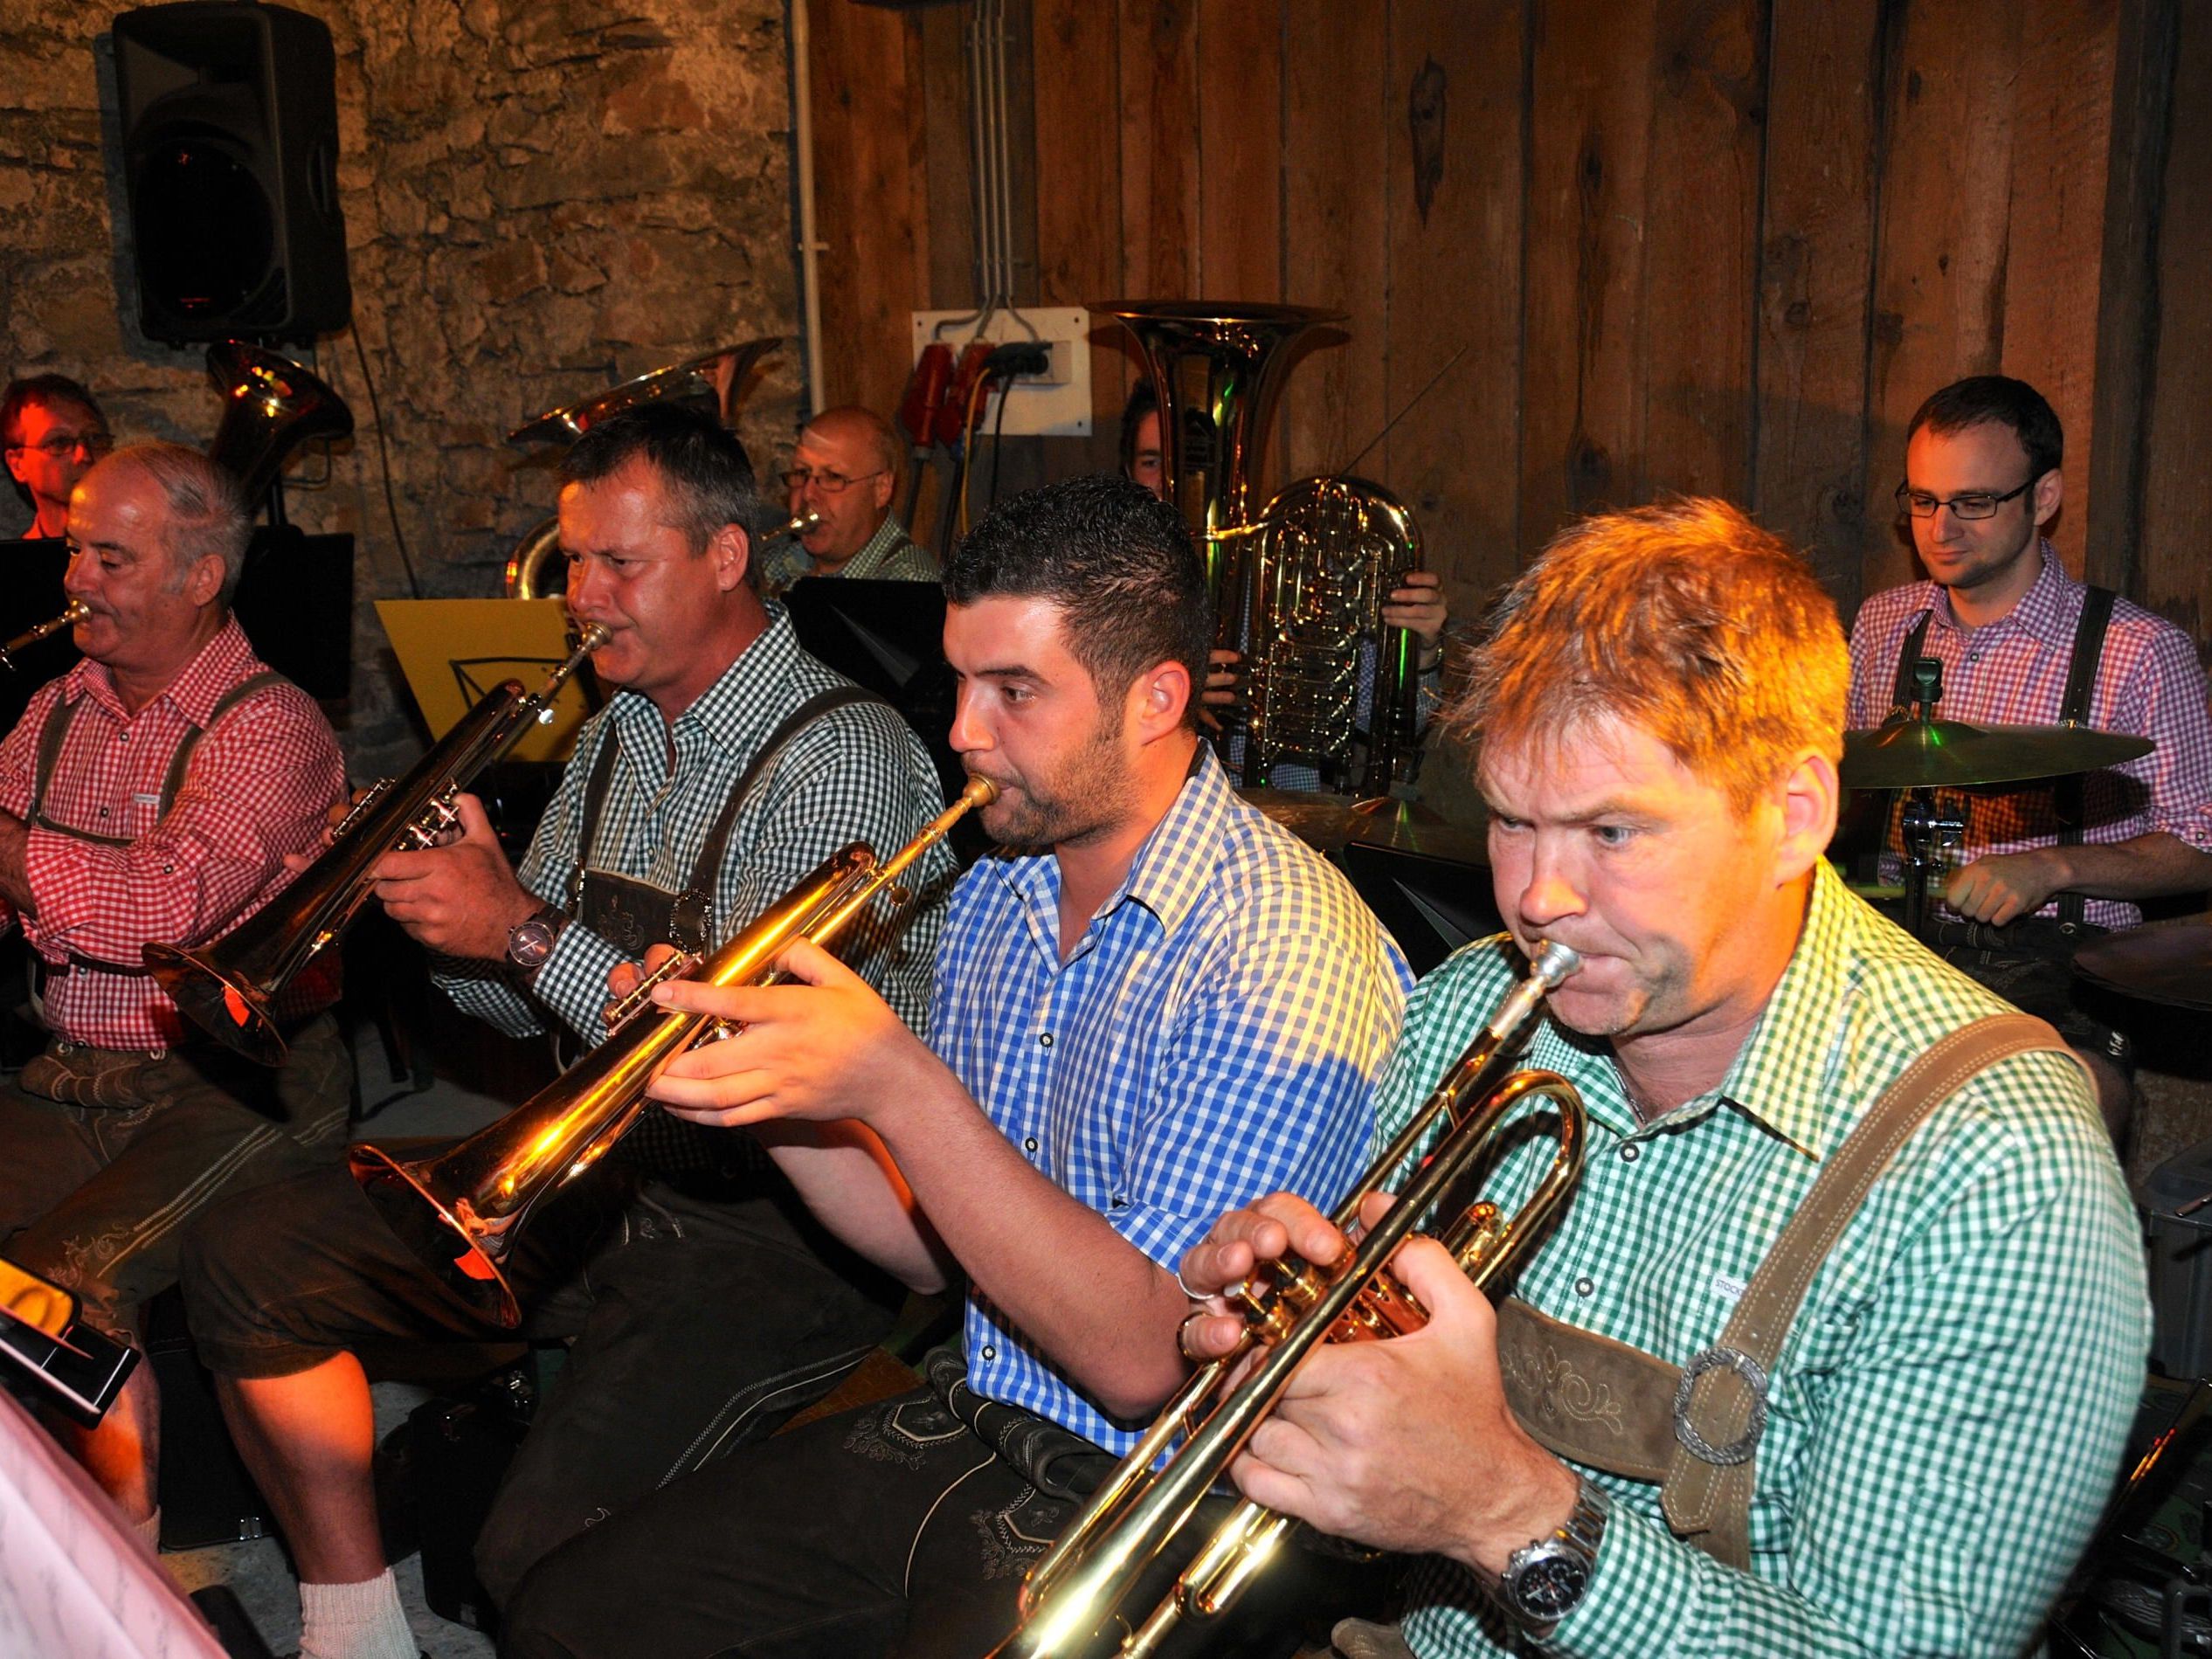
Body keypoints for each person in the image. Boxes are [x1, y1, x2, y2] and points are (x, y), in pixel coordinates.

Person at [1178, 498, 2149, 1657]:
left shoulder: (1998, 1167)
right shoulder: (1464, 1016)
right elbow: (1369, 1533)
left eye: (1611, 832)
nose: (1538, 895)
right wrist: (1302, 1385)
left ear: (1794, 816)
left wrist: (1505, 1512)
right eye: (1511, 820)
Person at [496, 471, 1414, 1658]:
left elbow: (1152, 1355)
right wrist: (771, 1086)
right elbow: (941, 1244)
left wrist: (895, 1084)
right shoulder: (1000, 891)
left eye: (1015, 691)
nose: (966, 731)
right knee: (568, 1614)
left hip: (1164, 1498)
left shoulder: (1283, 947)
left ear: (1156, 699)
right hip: (979, 1420)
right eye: (963, 681)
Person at [179, 402, 954, 1659]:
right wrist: (456, 930)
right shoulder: (610, 738)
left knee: (537, 1565)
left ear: (725, 557)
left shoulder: (840, 754)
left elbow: (761, 1062)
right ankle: (356, 1628)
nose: (581, 596)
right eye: (574, 561)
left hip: (779, 1230)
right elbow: (522, 1001)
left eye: (618, 564)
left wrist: (528, 929)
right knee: (242, 1256)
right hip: (589, 1171)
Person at [0, 441, 350, 1542]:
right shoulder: (58, 705)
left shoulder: (269, 725)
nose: (75, 581)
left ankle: (129, 1586)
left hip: (237, 1083)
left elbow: (161, 912)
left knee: (61, 1287)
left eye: (111, 557)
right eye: (74, 551)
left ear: (201, 579)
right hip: (76, 1074)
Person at [1847, 374, 2212, 1133]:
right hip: (1893, 945)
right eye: (1922, 500)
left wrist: (2054, 866)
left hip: (2060, 968)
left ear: (2042, 499)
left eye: (1973, 502)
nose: (1940, 527)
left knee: (2045, 1117)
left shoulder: (2137, 651)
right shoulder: (1883, 626)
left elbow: (2202, 844)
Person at [1120, 380, 1455, 791]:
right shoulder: (1094, 590)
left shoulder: (1295, 578)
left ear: (1225, 470)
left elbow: (1396, 723)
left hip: (1286, 826)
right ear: (1128, 472)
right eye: (1153, 462)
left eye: (1192, 462)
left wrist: (1418, 651)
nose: (1175, 482)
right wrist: (1162, 703)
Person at [758, 404, 938, 593]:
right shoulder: (773, 566)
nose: (808, 494)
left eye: (833, 477)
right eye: (802, 473)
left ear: (881, 489)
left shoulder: (910, 587)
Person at [3, 373, 112, 542]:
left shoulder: (147, 549)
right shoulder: (15, 565)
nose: (84, 456)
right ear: (17, 465)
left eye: (95, 438)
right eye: (59, 443)